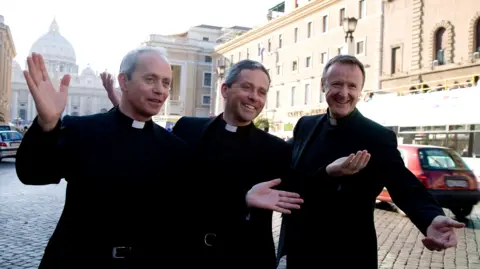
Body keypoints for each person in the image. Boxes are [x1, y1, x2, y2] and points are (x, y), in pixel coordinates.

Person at [102, 59, 369, 269]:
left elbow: (301, 191)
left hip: (247, 261)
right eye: (247, 87)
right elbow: (161, 168)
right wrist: (122, 104)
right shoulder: (188, 130)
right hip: (190, 258)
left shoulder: (274, 149)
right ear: (225, 89)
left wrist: (329, 172)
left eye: (262, 91)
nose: (254, 96)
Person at [278, 55, 466, 268]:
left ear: (361, 91)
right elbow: (290, 174)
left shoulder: (376, 136)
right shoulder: (305, 125)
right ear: (323, 85)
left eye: (352, 86)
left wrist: (431, 218)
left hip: (346, 255)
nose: (344, 93)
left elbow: (403, 185)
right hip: (297, 251)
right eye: (337, 84)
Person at [16, 47, 194, 268]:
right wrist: (47, 124)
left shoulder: (176, 151)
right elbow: (33, 174)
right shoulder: (81, 130)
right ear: (124, 81)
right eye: (150, 79)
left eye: (166, 83)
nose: (160, 90)